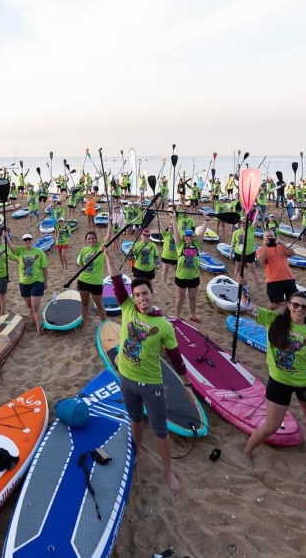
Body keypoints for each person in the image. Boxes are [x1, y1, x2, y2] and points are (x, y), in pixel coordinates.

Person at [103, 249, 190, 496]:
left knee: (160, 429)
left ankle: (167, 469)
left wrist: (187, 385)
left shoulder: (163, 325)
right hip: (127, 379)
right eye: (138, 295)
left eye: (145, 294)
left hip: (151, 385)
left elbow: (176, 358)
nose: (142, 298)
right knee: (135, 418)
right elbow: (118, 281)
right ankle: (139, 449)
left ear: (152, 295)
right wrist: (109, 258)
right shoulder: (128, 307)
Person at [238, 287, 306, 466]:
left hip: (305, 383)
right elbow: (247, 305)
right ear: (289, 305)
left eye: (304, 307)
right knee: (271, 425)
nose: (299, 309)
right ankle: (247, 451)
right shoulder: (273, 320)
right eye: (296, 305)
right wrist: (244, 286)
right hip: (279, 381)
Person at [171, 209, 208, 323]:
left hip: (194, 277)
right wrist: (173, 218)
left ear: (193, 237)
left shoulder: (197, 244)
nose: (188, 237)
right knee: (180, 298)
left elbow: (202, 232)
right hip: (181, 277)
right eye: (186, 236)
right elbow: (176, 232)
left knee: (192, 298)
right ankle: (177, 316)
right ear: (184, 237)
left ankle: (193, 316)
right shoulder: (179, 245)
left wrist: (206, 220)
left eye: (190, 236)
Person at [12, 233, 48, 335]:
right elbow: (12, 248)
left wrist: (46, 281)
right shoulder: (20, 251)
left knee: (36, 307)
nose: (27, 241)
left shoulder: (39, 252)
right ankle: (33, 323)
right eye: (25, 240)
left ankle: (38, 331)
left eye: (29, 239)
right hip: (24, 282)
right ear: (23, 242)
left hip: (37, 282)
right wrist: (6, 237)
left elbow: (45, 268)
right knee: (29, 306)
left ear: (32, 240)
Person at [256, 229, 298, 309]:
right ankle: (263, 318)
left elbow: (293, 253)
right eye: (267, 236)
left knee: (293, 302)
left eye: (271, 236)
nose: (270, 238)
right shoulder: (261, 249)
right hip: (274, 280)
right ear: (263, 238)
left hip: (288, 278)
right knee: (275, 304)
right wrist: (265, 246)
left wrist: (281, 243)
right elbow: (261, 261)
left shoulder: (281, 247)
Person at [76, 231, 107, 327]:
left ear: (96, 239)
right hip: (83, 280)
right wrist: (78, 280)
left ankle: (104, 325)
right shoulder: (84, 250)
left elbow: (109, 236)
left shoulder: (100, 247)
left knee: (100, 306)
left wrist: (110, 221)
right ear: (86, 240)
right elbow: (80, 265)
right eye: (89, 238)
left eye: (93, 238)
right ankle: (84, 322)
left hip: (96, 282)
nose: (91, 240)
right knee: (84, 303)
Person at [230, 218, 260, 286]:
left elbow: (255, 222)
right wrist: (230, 253)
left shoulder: (251, 229)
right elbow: (233, 243)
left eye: (244, 222)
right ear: (239, 224)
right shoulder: (236, 232)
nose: (242, 224)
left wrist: (257, 212)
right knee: (238, 269)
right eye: (240, 223)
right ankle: (236, 284)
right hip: (238, 253)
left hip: (249, 253)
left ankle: (257, 286)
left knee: (252, 270)